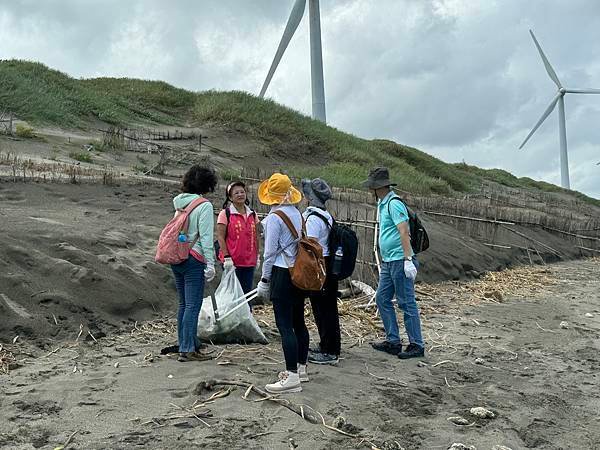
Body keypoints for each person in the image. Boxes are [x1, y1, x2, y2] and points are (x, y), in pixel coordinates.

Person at [363, 167, 425, 359]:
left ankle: (416, 344)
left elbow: (404, 232)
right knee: (382, 298)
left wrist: (408, 260)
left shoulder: (394, 203)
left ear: (377, 187)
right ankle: (393, 340)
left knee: (406, 302)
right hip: (389, 260)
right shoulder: (383, 203)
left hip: (400, 259)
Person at [255, 173, 308, 394]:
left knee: (285, 325)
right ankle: (302, 369)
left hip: (281, 273)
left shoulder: (275, 218)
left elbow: (269, 254)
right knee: (299, 322)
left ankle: (291, 377)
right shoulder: (297, 213)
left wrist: (264, 280)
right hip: (298, 273)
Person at [170, 165, 217, 362]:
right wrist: (211, 263)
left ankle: (187, 343)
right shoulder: (203, 205)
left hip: (176, 256)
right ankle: (188, 349)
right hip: (194, 258)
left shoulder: (180, 203)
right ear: (207, 185)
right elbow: (206, 237)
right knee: (193, 305)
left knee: (183, 304)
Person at [301, 178, 341, 365]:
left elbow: (311, 245)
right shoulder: (325, 215)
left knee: (323, 308)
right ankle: (328, 344)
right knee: (325, 307)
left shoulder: (313, 219)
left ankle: (330, 351)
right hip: (327, 264)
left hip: (319, 265)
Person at [216, 181, 260, 295]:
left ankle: (247, 313)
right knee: (232, 294)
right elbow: (220, 237)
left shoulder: (253, 214)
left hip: (249, 261)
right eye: (236, 193)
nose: (240, 194)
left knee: (246, 293)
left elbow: (256, 236)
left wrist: (258, 255)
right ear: (230, 197)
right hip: (232, 261)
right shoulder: (225, 214)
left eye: (242, 192)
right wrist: (226, 257)